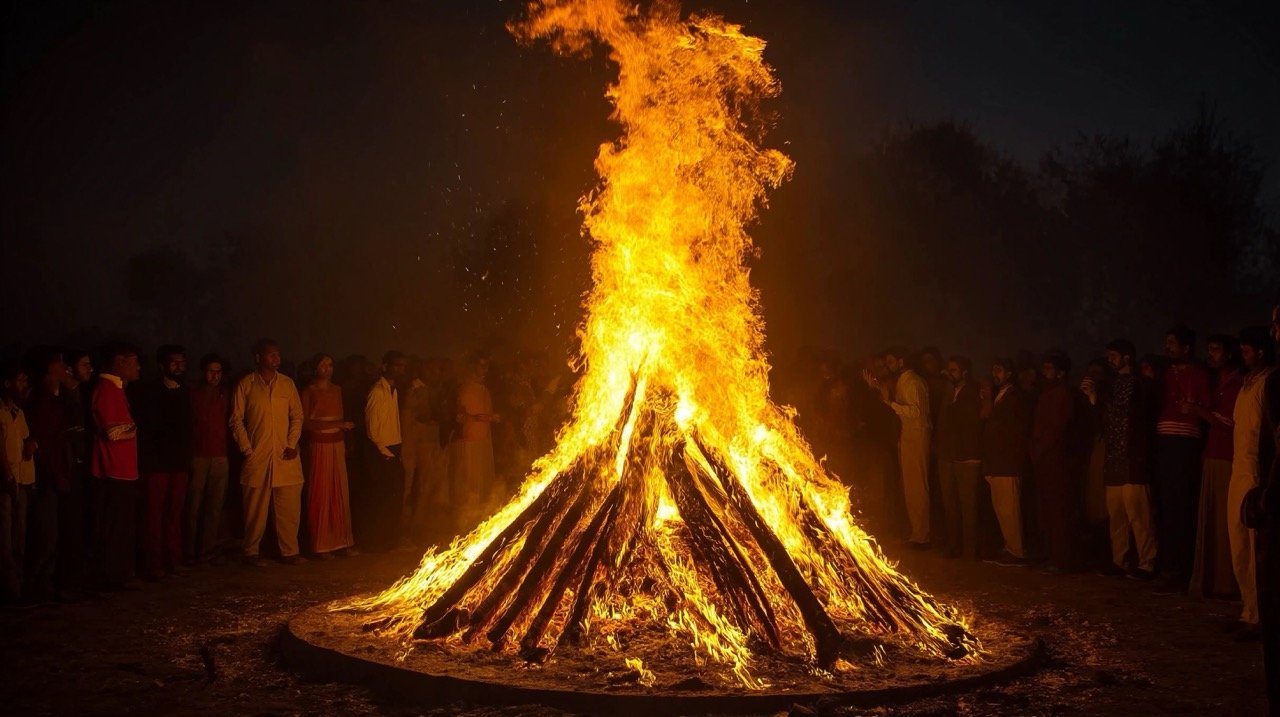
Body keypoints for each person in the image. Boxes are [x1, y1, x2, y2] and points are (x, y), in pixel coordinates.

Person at [230, 339, 305, 566]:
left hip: (285, 454)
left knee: (289, 505)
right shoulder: (247, 385)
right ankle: (251, 552)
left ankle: (290, 552)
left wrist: (291, 444)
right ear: (258, 358)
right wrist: (247, 448)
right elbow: (236, 420)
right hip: (258, 455)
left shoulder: (287, 384)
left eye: (278, 355)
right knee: (254, 507)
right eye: (271, 355)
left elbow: (297, 416)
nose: (276, 359)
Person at [1153, 324, 1211, 590]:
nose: (1168, 347)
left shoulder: (1200, 374)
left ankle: (1179, 570)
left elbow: (1208, 411)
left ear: (1187, 347)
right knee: (1166, 503)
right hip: (1165, 442)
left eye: (1173, 343)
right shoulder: (1163, 375)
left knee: (1182, 504)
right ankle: (1165, 565)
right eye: (1167, 342)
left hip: (1185, 443)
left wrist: (1195, 409)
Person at [129, 344, 193, 580]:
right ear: (162, 365)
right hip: (156, 465)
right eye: (174, 362)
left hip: (179, 464)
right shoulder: (149, 392)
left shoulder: (185, 391)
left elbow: (187, 429)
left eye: (182, 362)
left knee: (175, 514)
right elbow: (146, 429)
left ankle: (173, 560)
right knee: (153, 515)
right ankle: (152, 564)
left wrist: (187, 460)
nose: (179, 366)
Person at [1190, 335, 1245, 598]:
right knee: (1212, 519)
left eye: (1216, 350)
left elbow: (1228, 422)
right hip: (1213, 454)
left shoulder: (1238, 383)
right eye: (1208, 350)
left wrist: (1197, 410)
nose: (1210, 354)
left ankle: (1226, 582)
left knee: (1224, 521)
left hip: (1226, 456)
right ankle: (1213, 581)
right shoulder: (1221, 382)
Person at [1227, 328, 1273, 640]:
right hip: (1238, 468)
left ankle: (1261, 617)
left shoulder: (1271, 382)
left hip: (1257, 472)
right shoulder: (1246, 383)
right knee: (1238, 542)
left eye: (1247, 350)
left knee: (1257, 546)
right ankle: (1248, 609)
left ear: (1261, 352)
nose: (1242, 355)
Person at [1101, 339, 1158, 579]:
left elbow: (1143, 419)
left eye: (1114, 355)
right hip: (1114, 459)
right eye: (1108, 356)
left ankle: (1147, 563)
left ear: (1127, 357)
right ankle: (1119, 560)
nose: (1110, 360)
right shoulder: (1110, 385)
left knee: (1139, 515)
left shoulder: (1141, 385)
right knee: (1116, 515)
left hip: (1132, 459)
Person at [864, 346, 931, 547]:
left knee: (917, 487)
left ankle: (921, 536)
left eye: (891, 362)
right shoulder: (903, 381)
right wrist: (878, 388)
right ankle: (917, 533)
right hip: (909, 438)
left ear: (902, 362)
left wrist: (890, 403)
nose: (888, 366)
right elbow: (889, 394)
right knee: (911, 487)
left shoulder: (913, 382)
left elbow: (915, 413)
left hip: (916, 438)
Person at [89, 343, 141, 590]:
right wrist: (133, 428)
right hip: (113, 470)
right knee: (114, 527)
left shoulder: (117, 389)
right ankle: (112, 577)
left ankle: (119, 574)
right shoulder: (107, 390)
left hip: (123, 470)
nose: (138, 367)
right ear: (119, 363)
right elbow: (113, 431)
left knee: (122, 526)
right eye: (134, 362)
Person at [1030, 349, 1083, 573]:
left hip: (1056, 461)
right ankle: (1051, 555)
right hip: (1045, 460)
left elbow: (1055, 428)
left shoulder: (1063, 395)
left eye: (1049, 368)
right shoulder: (1047, 393)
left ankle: (1062, 560)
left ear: (1061, 373)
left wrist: (1039, 449)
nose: (1045, 371)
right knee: (1046, 510)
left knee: (1058, 509)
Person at [23, 348, 70, 601]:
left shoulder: (52, 399)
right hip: (46, 477)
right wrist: (56, 473)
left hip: (53, 474)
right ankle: (37, 586)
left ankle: (46, 583)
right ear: (51, 368)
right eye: (61, 365)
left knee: (51, 531)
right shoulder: (42, 401)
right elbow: (45, 443)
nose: (65, 370)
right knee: (45, 533)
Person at [302, 353, 356, 557]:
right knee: (321, 491)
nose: (327, 368)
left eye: (330, 364)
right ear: (315, 368)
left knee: (339, 491)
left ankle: (342, 541)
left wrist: (344, 437)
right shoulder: (309, 391)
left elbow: (341, 418)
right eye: (323, 364)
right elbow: (306, 424)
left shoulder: (337, 390)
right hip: (319, 446)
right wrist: (336, 425)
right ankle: (320, 544)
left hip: (337, 444)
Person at [981, 358, 1031, 566]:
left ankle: (1017, 551)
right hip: (996, 462)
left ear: (1009, 373)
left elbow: (1013, 430)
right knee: (1001, 507)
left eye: (999, 370)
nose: (995, 374)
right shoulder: (998, 395)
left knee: (1010, 509)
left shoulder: (1015, 397)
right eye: (993, 369)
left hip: (1008, 462)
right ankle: (1009, 546)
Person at [936, 355, 983, 559]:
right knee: (951, 504)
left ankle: (969, 549)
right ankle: (954, 545)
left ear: (964, 372)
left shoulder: (972, 393)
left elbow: (964, 422)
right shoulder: (950, 392)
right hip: (950, 455)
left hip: (967, 456)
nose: (949, 373)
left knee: (968, 505)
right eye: (948, 370)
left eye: (953, 370)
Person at [450, 352, 501, 534]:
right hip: (470, 440)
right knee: (471, 482)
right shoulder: (467, 388)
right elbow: (463, 416)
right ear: (473, 366)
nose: (484, 370)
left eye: (486, 366)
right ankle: (467, 523)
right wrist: (490, 418)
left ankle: (478, 521)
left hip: (483, 439)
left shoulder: (483, 388)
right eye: (481, 365)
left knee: (482, 482)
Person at [362, 350, 407, 551]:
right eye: (396, 365)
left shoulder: (393, 390)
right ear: (385, 366)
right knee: (382, 498)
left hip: (393, 448)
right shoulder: (377, 391)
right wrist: (385, 452)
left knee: (394, 498)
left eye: (402, 366)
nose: (400, 370)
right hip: (382, 451)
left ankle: (389, 541)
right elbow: (372, 428)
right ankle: (378, 542)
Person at [187, 353, 230, 565]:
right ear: (203, 372)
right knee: (194, 505)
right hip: (198, 456)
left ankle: (207, 549)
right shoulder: (193, 393)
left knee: (214, 506)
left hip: (220, 456)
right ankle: (189, 549)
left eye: (218, 372)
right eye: (211, 371)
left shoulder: (225, 395)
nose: (215, 375)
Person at [57, 349, 93, 591]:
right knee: (67, 524)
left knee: (80, 523)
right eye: (84, 365)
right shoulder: (62, 398)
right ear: (68, 369)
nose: (90, 369)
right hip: (67, 469)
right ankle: (66, 580)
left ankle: (78, 577)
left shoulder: (82, 393)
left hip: (81, 467)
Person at [1, 363, 35, 601]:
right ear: (7, 383)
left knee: (19, 536)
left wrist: (33, 444)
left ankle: (19, 586)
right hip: (6, 482)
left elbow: (24, 441)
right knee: (5, 537)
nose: (25, 386)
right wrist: (7, 476)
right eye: (21, 381)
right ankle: (10, 590)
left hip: (22, 481)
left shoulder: (19, 412)